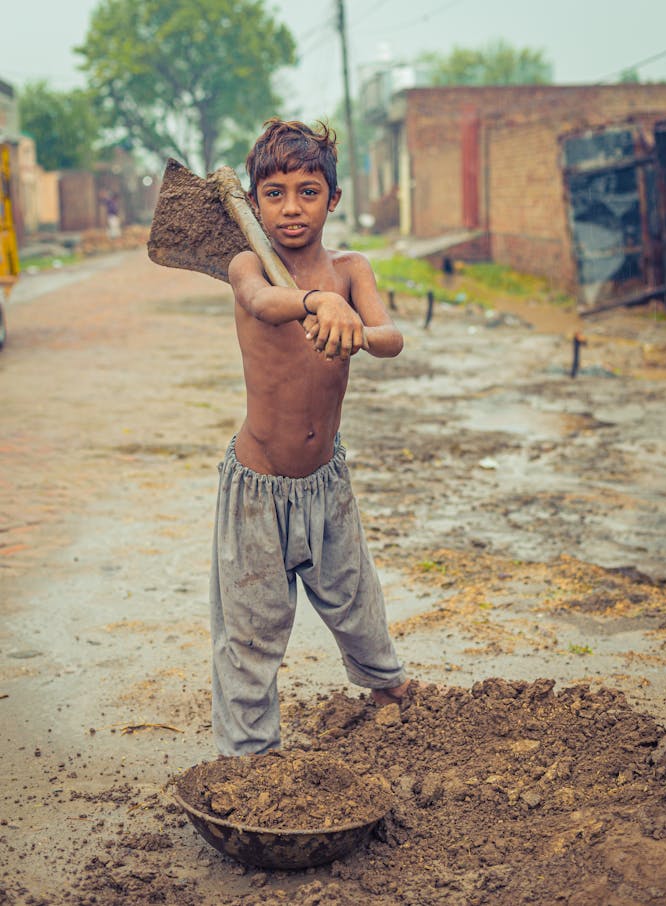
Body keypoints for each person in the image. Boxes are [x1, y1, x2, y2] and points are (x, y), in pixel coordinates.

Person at [210, 119, 410, 756]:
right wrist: (315, 303)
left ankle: (389, 692)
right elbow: (264, 302)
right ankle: (249, 757)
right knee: (251, 625)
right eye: (273, 193)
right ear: (254, 201)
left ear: (333, 198)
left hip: (327, 482)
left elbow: (390, 338)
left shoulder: (352, 269)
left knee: (355, 595)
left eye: (308, 190)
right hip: (256, 487)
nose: (291, 207)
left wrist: (348, 316)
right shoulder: (249, 264)